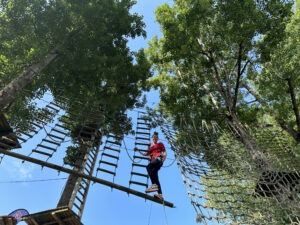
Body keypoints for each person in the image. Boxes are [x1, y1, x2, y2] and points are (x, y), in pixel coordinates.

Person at [134, 131, 167, 200]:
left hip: (158, 159)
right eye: (153, 137)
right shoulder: (151, 147)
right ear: (152, 139)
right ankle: (160, 194)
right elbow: (145, 154)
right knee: (155, 176)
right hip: (154, 161)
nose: (155, 138)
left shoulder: (160, 144)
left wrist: (163, 160)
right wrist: (138, 150)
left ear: (157, 138)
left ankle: (154, 185)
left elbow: (164, 152)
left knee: (148, 167)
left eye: (156, 137)